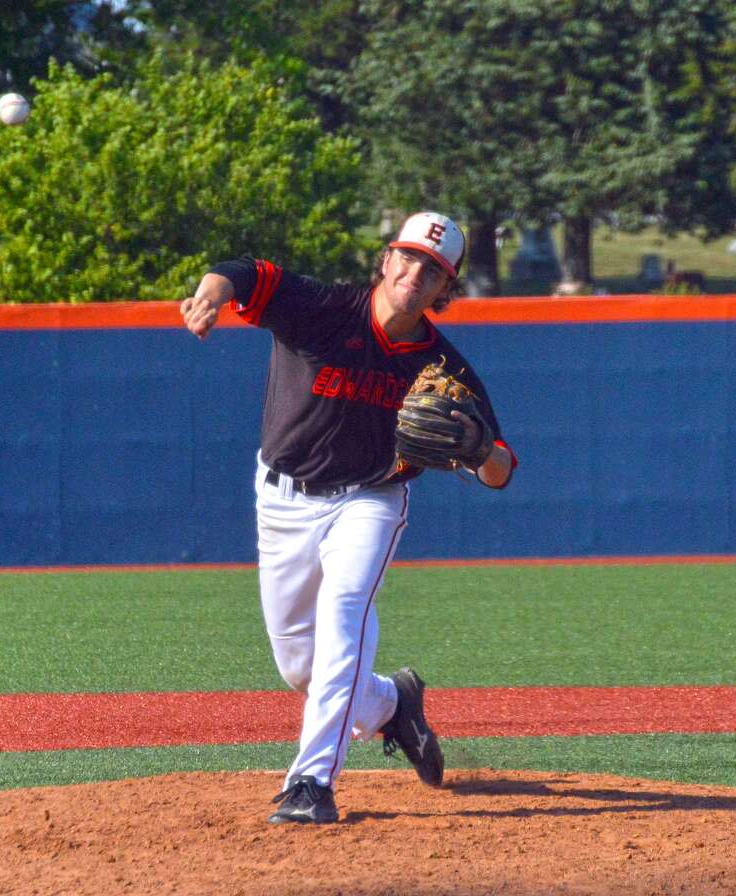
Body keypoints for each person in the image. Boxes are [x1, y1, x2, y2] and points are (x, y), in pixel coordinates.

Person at [180, 211, 517, 824]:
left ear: (447, 289)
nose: (416, 274)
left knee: (344, 612)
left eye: (434, 270)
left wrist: (477, 448)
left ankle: (312, 783)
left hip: (371, 499)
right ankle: (393, 705)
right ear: (387, 259)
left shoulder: (442, 367)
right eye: (409, 259)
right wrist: (211, 293)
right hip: (283, 497)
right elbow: (246, 273)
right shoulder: (324, 308)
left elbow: (501, 469)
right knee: (300, 669)